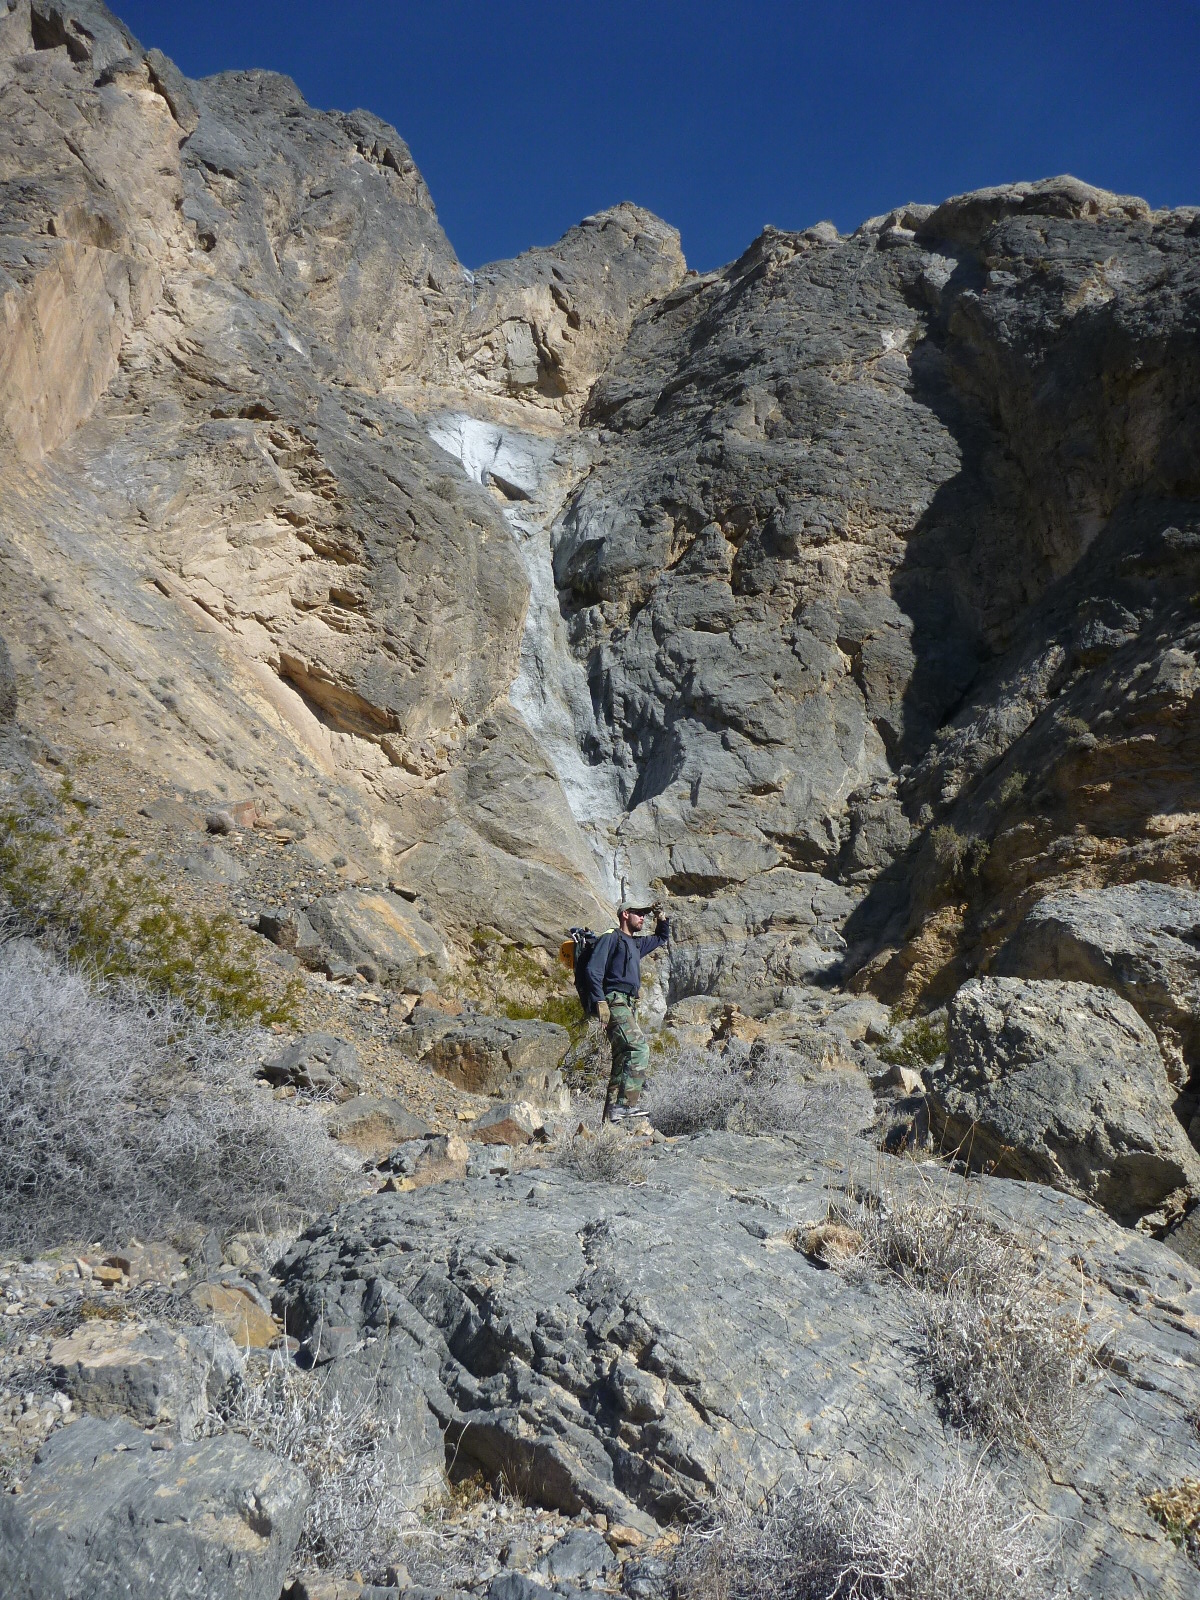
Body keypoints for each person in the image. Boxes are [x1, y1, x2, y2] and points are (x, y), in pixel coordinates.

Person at [580, 895, 670, 1125]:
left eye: (644, 914)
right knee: (638, 1048)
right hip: (614, 1000)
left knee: (622, 1059)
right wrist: (600, 1001)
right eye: (638, 913)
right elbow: (593, 970)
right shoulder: (611, 937)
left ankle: (610, 1122)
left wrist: (661, 917)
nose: (642, 918)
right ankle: (626, 1106)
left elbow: (661, 937)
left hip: (629, 1004)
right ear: (625, 914)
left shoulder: (636, 944)